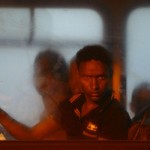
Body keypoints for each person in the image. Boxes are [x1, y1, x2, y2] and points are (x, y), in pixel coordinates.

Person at [59, 45, 131, 140]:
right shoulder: (71, 103)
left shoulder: (117, 116)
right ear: (79, 76)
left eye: (101, 77)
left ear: (111, 75)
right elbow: (40, 133)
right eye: (87, 77)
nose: (94, 86)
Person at [0, 49, 70, 140]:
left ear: (54, 76)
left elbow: (30, 137)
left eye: (40, 72)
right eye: (36, 72)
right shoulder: (51, 107)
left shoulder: (65, 108)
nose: (35, 77)